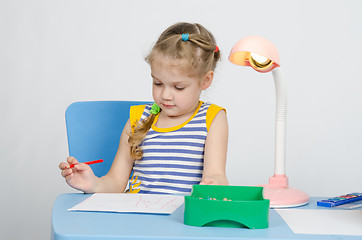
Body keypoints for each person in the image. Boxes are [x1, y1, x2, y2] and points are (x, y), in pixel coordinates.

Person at [59, 22, 228, 195]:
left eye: (178, 87)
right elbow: (116, 182)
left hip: (183, 219)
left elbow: (215, 174)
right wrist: (92, 184)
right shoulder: (138, 118)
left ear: (206, 80)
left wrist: (215, 185)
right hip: (137, 218)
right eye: (158, 83)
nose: (166, 95)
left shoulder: (212, 118)